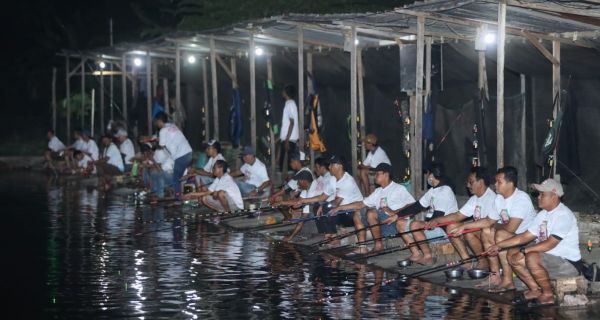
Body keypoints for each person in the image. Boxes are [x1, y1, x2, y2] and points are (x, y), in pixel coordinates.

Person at [485, 179, 581, 306]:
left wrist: (524, 251)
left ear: (554, 197)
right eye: (538, 194)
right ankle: (535, 290)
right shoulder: (543, 214)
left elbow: (550, 244)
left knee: (531, 256)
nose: (538, 197)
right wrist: (498, 246)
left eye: (542, 194)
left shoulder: (563, 215)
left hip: (567, 264)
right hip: (549, 258)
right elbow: (524, 237)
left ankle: (547, 295)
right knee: (512, 253)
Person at [456, 166, 536, 292]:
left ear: (510, 184)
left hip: (526, 239)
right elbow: (488, 221)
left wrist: (494, 226)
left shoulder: (521, 199)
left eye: (499, 182)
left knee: (499, 234)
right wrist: (464, 226)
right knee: (487, 231)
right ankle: (495, 276)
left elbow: (510, 227)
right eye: (496, 181)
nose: (495, 185)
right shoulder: (499, 199)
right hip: (510, 236)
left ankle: (508, 281)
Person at [329, 163, 415, 254]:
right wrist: (339, 208)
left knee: (371, 213)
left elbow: (412, 204)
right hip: (380, 225)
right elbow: (361, 204)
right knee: (357, 212)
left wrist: (395, 212)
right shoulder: (378, 191)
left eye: (378, 174)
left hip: (393, 224)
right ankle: (362, 247)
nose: (375, 177)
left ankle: (378, 245)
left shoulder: (398, 189)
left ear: (386, 175)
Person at [425, 166, 496, 269]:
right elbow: (458, 215)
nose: (468, 185)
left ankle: (483, 261)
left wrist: (465, 226)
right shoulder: (475, 198)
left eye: (470, 182)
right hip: (478, 232)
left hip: (490, 235)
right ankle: (466, 261)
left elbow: (488, 222)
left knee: (469, 232)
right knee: (451, 227)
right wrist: (437, 220)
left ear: (480, 182)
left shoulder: (492, 198)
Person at [388, 163, 458, 265]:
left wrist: (421, 224)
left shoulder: (445, 191)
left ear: (432, 175)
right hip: (432, 226)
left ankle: (428, 256)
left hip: (443, 231)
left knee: (415, 225)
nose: (427, 177)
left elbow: (438, 218)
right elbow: (417, 206)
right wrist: (397, 215)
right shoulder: (432, 191)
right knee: (400, 223)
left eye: (428, 174)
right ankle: (416, 254)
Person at [324, 156, 365, 252]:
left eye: (331, 165)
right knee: (322, 207)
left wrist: (327, 205)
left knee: (329, 208)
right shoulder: (333, 179)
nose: (329, 167)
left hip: (353, 212)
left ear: (339, 166)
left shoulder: (348, 180)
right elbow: (324, 196)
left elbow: (336, 203)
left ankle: (334, 238)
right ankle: (330, 235)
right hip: (343, 210)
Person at [154, 112, 192, 198]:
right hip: (188, 153)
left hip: (181, 156)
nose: (156, 123)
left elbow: (161, 145)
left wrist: (156, 140)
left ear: (160, 121)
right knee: (181, 177)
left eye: (156, 121)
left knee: (176, 179)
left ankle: (178, 199)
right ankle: (182, 196)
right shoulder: (173, 126)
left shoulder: (163, 130)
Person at [279, 84, 299, 172]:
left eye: (283, 90)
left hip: (289, 138)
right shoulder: (289, 103)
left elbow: (292, 122)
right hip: (288, 138)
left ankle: (289, 183)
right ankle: (287, 182)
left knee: (289, 163)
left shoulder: (290, 104)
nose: (282, 92)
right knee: (284, 162)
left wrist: (287, 140)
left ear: (286, 93)